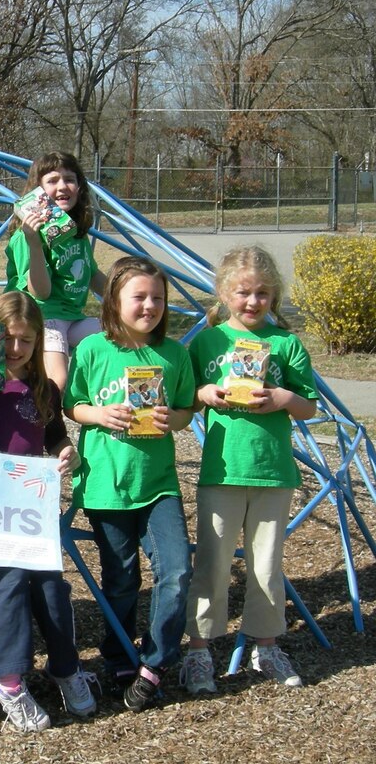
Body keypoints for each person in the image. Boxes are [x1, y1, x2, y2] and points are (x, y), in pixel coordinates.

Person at [0, 291, 96, 731]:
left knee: (52, 585)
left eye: (27, 341)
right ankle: (10, 678)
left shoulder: (44, 389)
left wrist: (66, 450)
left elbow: (53, 435)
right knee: (10, 582)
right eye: (9, 339)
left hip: (32, 504)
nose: (16, 350)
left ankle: (64, 667)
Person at [181, 245, 318, 693]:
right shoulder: (209, 340)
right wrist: (205, 394)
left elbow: (308, 406)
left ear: (273, 295)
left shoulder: (285, 343)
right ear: (224, 292)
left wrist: (281, 398)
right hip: (221, 471)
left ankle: (267, 645)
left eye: (262, 293)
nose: (253, 301)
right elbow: (188, 390)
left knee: (267, 565)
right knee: (213, 564)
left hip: (273, 473)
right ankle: (199, 651)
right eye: (243, 292)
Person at [63, 256, 195, 712]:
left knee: (176, 572)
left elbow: (184, 410)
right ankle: (118, 654)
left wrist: (169, 419)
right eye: (139, 296)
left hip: (158, 484)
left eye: (157, 297)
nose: (150, 306)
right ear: (114, 300)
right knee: (120, 580)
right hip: (106, 484)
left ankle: (156, 661)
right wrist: (98, 413)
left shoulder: (175, 354)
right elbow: (73, 404)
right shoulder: (93, 350)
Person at [6, 152, 106, 393]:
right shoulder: (26, 237)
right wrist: (35, 244)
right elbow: (40, 291)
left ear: (80, 187)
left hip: (73, 318)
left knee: (119, 332)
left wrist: (126, 298)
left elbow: (93, 276)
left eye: (69, 179)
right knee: (57, 382)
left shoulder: (75, 233)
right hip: (42, 317)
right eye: (52, 181)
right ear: (37, 191)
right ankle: (46, 427)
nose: (62, 186)